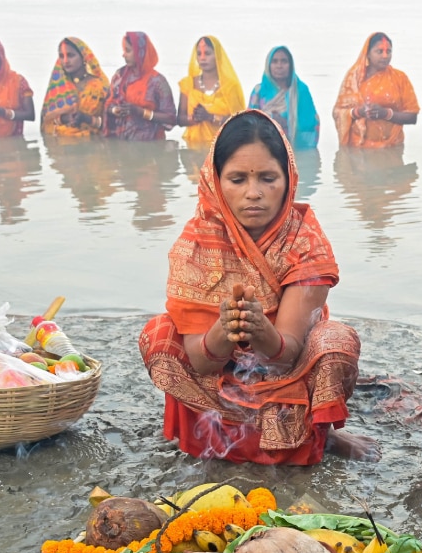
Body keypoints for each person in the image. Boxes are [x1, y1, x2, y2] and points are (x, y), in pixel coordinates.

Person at [139, 110, 378, 464]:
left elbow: (290, 355)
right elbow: (201, 363)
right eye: (237, 179)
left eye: (268, 178)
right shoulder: (195, 243)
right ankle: (209, 437)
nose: (254, 193)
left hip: (286, 371)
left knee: (335, 342)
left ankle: (322, 436)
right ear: (215, 182)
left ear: (289, 179)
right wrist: (226, 329)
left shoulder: (304, 241)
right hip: (219, 379)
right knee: (158, 334)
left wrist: (261, 331)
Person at [332, 33, 419, 148]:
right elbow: (338, 112)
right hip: (358, 149)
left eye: (389, 52)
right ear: (367, 54)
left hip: (392, 147)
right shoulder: (354, 78)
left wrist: (385, 114)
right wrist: (358, 112)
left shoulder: (400, 78)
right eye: (379, 52)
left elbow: (412, 117)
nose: (385, 56)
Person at [105, 32, 176, 141]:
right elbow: (107, 105)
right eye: (124, 51)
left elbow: (170, 118)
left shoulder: (157, 81)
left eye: (128, 51)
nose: (123, 55)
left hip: (151, 147)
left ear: (140, 53)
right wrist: (116, 110)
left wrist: (141, 112)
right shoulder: (119, 76)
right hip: (121, 145)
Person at [248, 46, 320, 149]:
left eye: (284, 61)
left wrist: (286, 124)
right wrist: (270, 121)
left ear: (290, 65)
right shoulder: (259, 91)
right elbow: (248, 123)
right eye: (274, 61)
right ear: (268, 65)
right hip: (265, 149)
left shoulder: (301, 91)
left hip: (294, 150)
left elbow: (311, 124)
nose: (279, 66)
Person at [179, 36, 245, 147]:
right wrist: (195, 118)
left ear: (217, 56)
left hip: (223, 147)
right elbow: (180, 119)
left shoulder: (230, 86)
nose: (203, 58)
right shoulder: (188, 84)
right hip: (193, 149)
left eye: (208, 53)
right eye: (199, 54)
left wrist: (210, 117)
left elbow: (240, 122)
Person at [41, 37, 109, 137]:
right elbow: (45, 124)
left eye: (70, 55)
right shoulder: (58, 88)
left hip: (93, 146)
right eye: (61, 56)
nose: (65, 61)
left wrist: (88, 119)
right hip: (61, 146)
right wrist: (63, 119)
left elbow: (113, 125)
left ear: (83, 57)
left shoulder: (99, 86)